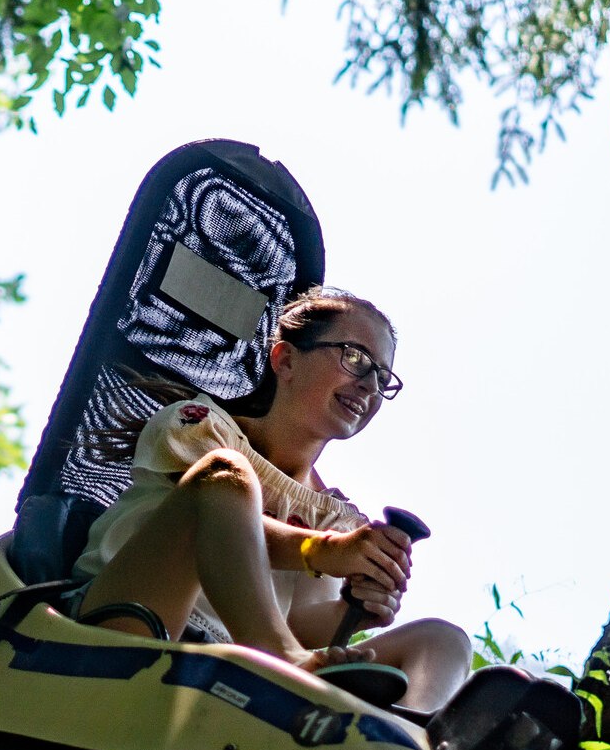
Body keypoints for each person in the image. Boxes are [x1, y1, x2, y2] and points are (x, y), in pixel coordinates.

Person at [70, 287, 471, 711]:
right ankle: (279, 664)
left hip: (227, 669)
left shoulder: (336, 518)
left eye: (382, 377)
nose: (370, 384)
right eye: (354, 357)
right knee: (225, 477)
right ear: (286, 360)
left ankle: (409, 747)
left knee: (442, 640)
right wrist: (326, 552)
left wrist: (356, 611)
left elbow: (299, 623)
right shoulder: (202, 429)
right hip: (122, 634)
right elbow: (212, 513)